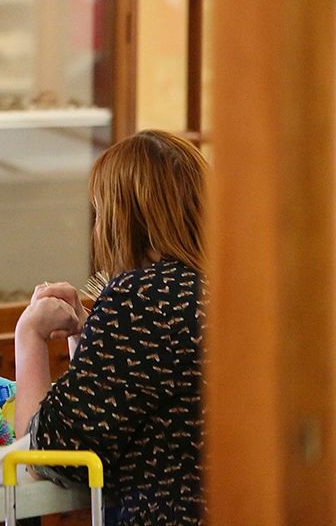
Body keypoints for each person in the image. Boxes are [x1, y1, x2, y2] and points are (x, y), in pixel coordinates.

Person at [13, 130, 207, 524]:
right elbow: (130, 408)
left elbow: (49, 456)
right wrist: (90, 336)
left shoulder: (144, 295)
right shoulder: (230, 289)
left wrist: (30, 336)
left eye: (99, 211)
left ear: (123, 217)